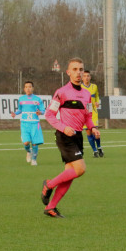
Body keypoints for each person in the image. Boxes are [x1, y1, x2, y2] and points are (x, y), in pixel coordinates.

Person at [40, 57, 99, 218]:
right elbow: (49, 115)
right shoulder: (61, 92)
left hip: (78, 136)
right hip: (64, 136)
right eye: (75, 69)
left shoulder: (87, 95)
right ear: (68, 72)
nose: (78, 73)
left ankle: (51, 207)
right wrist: (64, 128)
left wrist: (92, 127)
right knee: (80, 169)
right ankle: (49, 184)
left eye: (81, 69)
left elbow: (88, 116)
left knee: (70, 174)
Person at [10, 81, 45, 166]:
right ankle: (29, 151)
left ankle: (34, 160)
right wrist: (15, 113)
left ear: (33, 88)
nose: (28, 88)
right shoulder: (21, 99)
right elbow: (20, 110)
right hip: (24, 124)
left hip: (34, 124)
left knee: (34, 143)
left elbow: (43, 110)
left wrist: (39, 112)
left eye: (30, 87)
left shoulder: (37, 99)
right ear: (24, 89)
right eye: (26, 87)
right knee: (26, 143)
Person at [82, 70, 103, 158]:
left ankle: (99, 147)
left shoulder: (94, 87)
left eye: (88, 76)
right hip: (84, 112)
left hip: (93, 112)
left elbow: (97, 96)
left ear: (90, 77)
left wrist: (97, 102)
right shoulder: (80, 87)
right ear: (82, 78)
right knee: (88, 132)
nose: (86, 77)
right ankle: (94, 150)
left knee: (96, 132)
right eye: (85, 76)